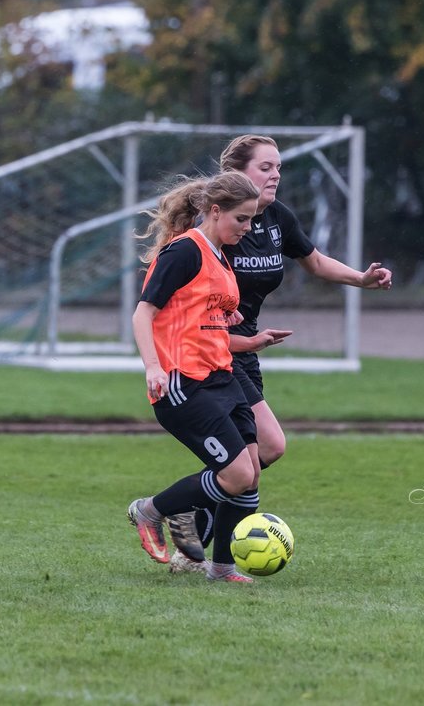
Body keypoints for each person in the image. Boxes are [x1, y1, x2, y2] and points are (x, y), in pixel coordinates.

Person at [164, 134, 393, 573]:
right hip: (212, 349)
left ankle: (196, 530)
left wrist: (361, 280)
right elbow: (174, 287)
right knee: (263, 448)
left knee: (259, 455)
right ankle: (189, 527)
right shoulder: (214, 224)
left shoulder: (276, 219)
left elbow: (316, 261)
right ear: (237, 175)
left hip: (247, 349)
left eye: (279, 168)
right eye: (266, 167)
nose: (275, 176)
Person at [125, 170, 264, 583]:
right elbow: (143, 313)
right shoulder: (184, 251)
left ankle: (221, 568)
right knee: (236, 474)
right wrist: (153, 366)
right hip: (183, 383)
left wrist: (243, 334)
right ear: (215, 211)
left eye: (252, 219)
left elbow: (202, 319)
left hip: (223, 378)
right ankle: (150, 511)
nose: (248, 227)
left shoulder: (221, 256)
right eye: (242, 218)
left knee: (250, 474)